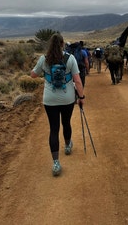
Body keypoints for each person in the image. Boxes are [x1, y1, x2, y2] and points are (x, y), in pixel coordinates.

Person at [31, 33, 85, 176]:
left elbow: (33, 75)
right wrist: (82, 97)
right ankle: (67, 146)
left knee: (53, 129)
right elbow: (78, 81)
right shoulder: (70, 58)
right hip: (67, 99)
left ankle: (56, 163)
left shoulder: (44, 59)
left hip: (49, 100)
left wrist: (36, 70)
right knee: (66, 123)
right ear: (62, 44)